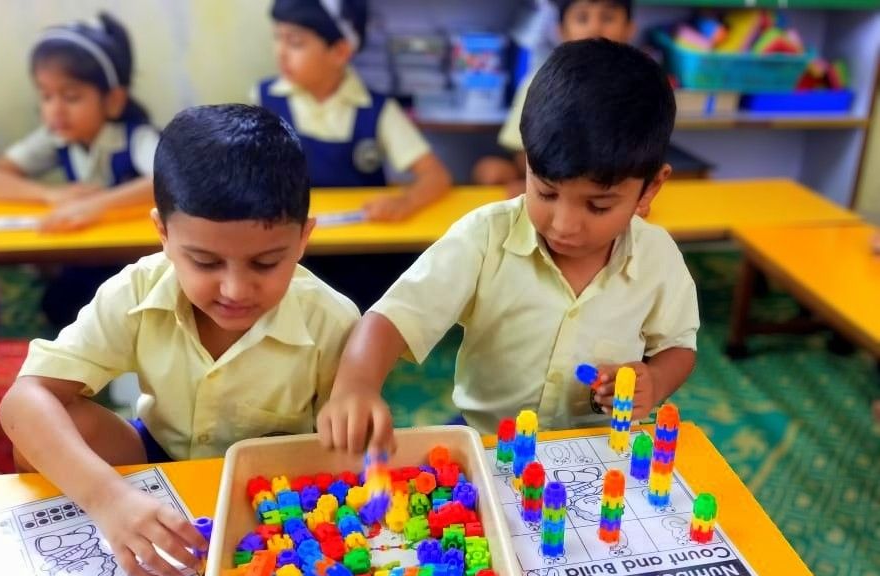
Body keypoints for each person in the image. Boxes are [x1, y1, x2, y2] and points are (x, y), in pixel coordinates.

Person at [0, 104, 360, 576]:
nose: (235, 289)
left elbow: (344, 453)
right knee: (47, 430)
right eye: (206, 263)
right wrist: (107, 498)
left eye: (266, 263)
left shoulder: (334, 321)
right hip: (155, 457)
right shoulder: (135, 290)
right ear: (163, 234)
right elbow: (23, 400)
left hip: (277, 484)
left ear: (302, 239)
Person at [317, 39, 699, 453]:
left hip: (600, 448)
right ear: (527, 164)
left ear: (651, 188)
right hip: (486, 438)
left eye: (598, 205)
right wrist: (355, 386)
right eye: (546, 192)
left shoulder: (657, 256)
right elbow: (392, 317)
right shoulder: (485, 237)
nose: (564, 224)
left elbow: (678, 346)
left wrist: (655, 380)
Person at [0, 12, 158, 327]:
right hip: (82, 258)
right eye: (46, 96)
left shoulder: (136, 137)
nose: (55, 110)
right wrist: (50, 195)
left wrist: (97, 205)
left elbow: (168, 179)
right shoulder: (55, 137)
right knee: (60, 304)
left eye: (71, 97)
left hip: (134, 262)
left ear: (113, 101)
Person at [253, 0, 451, 222]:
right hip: (292, 238)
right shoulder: (264, 100)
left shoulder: (377, 110)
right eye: (277, 37)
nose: (280, 52)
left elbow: (435, 175)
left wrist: (406, 202)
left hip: (361, 237)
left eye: (295, 42)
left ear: (340, 51)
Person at [472, 0, 636, 197]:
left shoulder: (639, 86)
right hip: (550, 175)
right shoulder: (539, 81)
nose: (595, 28)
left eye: (607, 18)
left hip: (613, 178)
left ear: (629, 29)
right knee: (489, 170)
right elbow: (522, 150)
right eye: (582, 18)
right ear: (561, 31)